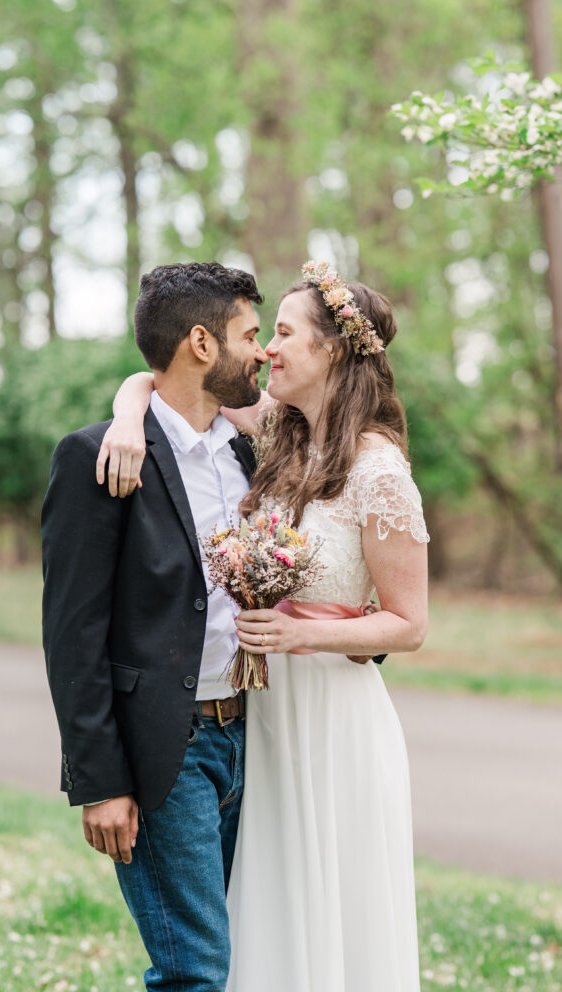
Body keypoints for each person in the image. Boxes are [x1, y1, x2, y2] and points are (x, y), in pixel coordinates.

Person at [105, 259, 430, 991]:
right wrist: (127, 415)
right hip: (266, 721)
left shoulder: (378, 470)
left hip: (333, 722)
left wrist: (298, 634)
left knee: (331, 910)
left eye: (282, 334)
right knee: (264, 918)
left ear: (332, 352)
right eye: (265, 333)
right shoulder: (281, 436)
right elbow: (164, 384)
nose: (265, 350)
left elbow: (409, 625)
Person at [41, 261, 268, 992]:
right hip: (167, 753)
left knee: (251, 948)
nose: (260, 351)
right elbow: (72, 633)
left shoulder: (247, 452)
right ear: (201, 344)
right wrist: (99, 781)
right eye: (249, 335)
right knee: (194, 971)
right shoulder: (102, 456)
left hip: (256, 740)